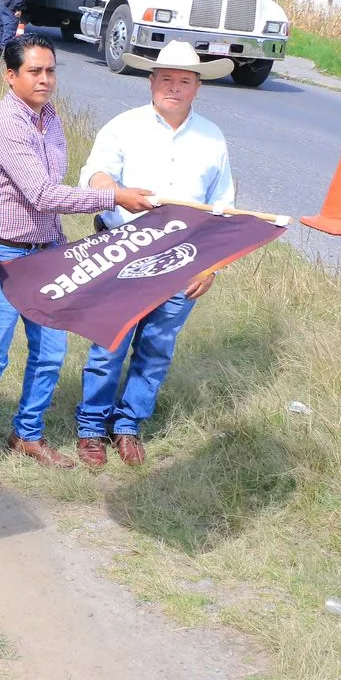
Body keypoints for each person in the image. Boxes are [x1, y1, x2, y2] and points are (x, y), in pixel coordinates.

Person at [0, 34, 155, 493]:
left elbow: (52, 192)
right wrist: (116, 196)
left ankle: (27, 434)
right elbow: (45, 193)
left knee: (50, 354)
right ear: (11, 76)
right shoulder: (6, 123)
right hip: (4, 253)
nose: (45, 79)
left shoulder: (49, 118)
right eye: (34, 71)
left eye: (50, 70)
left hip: (46, 250)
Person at [74, 41, 234, 467]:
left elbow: (223, 207)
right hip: (124, 251)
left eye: (184, 81)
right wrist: (117, 190)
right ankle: (91, 428)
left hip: (183, 260)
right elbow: (94, 174)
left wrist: (214, 266)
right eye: (166, 79)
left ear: (197, 87)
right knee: (109, 344)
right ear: (151, 82)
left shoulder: (212, 138)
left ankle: (128, 426)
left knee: (157, 347)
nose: (174, 88)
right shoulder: (123, 127)